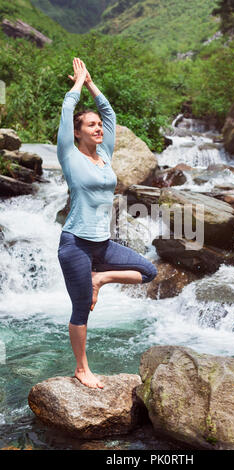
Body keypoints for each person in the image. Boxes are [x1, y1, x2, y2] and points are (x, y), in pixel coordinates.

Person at [57, 57, 157, 389]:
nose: (99, 128)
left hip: (102, 245)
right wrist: (76, 86)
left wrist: (90, 84)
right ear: (76, 132)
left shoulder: (106, 154)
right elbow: (67, 108)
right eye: (90, 125)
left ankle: (101, 278)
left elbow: (110, 113)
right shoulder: (69, 156)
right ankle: (82, 369)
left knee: (149, 272)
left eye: (99, 125)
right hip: (75, 244)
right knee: (81, 308)